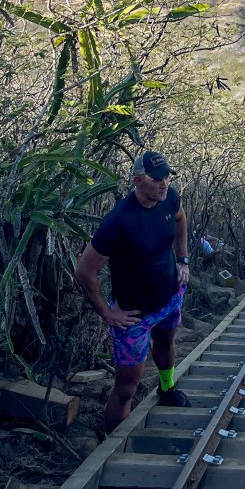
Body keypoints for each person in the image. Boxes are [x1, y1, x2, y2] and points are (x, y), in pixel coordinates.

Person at [74, 150, 192, 433]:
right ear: (138, 180)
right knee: (127, 385)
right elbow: (84, 271)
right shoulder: (119, 222)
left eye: (166, 176)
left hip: (168, 298)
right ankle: (109, 441)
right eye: (156, 178)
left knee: (166, 344)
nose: (164, 183)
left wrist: (183, 259)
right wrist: (107, 313)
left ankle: (167, 388)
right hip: (134, 315)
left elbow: (180, 219)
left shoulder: (169, 198)